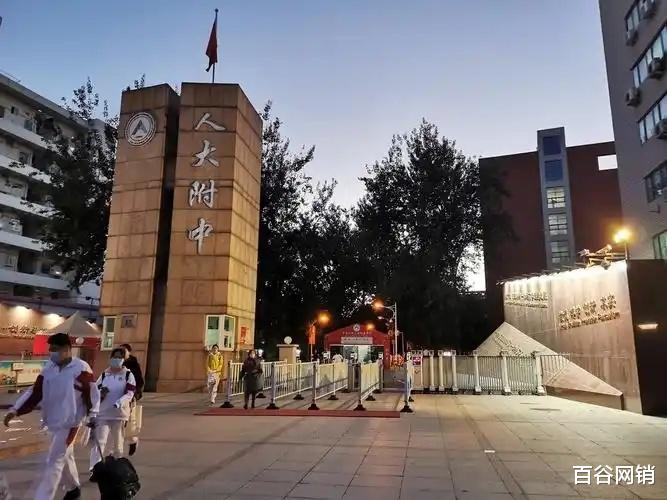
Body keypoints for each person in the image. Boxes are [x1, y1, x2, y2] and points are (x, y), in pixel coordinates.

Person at [3, 333, 100, 500]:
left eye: (55, 349)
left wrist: (93, 415)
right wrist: (15, 409)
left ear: (67, 349)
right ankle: (73, 488)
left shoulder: (81, 369)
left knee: (54, 461)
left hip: (70, 423)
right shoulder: (49, 368)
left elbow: (92, 394)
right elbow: (35, 392)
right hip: (52, 421)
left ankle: (43, 497)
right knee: (65, 455)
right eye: (50, 349)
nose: (51, 352)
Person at [89, 347, 136, 477]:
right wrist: (101, 393)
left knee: (117, 443)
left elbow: (130, 393)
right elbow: (95, 391)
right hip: (103, 412)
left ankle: (117, 470)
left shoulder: (128, 375)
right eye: (114, 357)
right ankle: (95, 468)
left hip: (119, 414)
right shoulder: (105, 374)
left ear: (124, 359)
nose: (116, 359)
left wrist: (119, 402)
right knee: (100, 441)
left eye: (119, 357)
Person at [120, 343, 143, 456]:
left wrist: (136, 393)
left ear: (129, 352)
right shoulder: (117, 362)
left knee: (129, 422)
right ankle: (116, 451)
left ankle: (132, 440)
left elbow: (139, 380)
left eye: (124, 351)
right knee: (118, 424)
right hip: (117, 397)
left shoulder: (133, 364)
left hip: (129, 397)